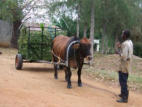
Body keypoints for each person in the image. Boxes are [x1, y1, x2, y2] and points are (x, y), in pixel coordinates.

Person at [116, 30, 133, 103]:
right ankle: (123, 93)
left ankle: (125, 97)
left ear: (125, 35)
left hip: (124, 64)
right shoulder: (130, 42)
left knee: (122, 80)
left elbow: (124, 56)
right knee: (123, 79)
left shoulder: (125, 44)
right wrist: (121, 47)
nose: (121, 35)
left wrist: (118, 52)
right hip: (127, 64)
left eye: (122, 34)